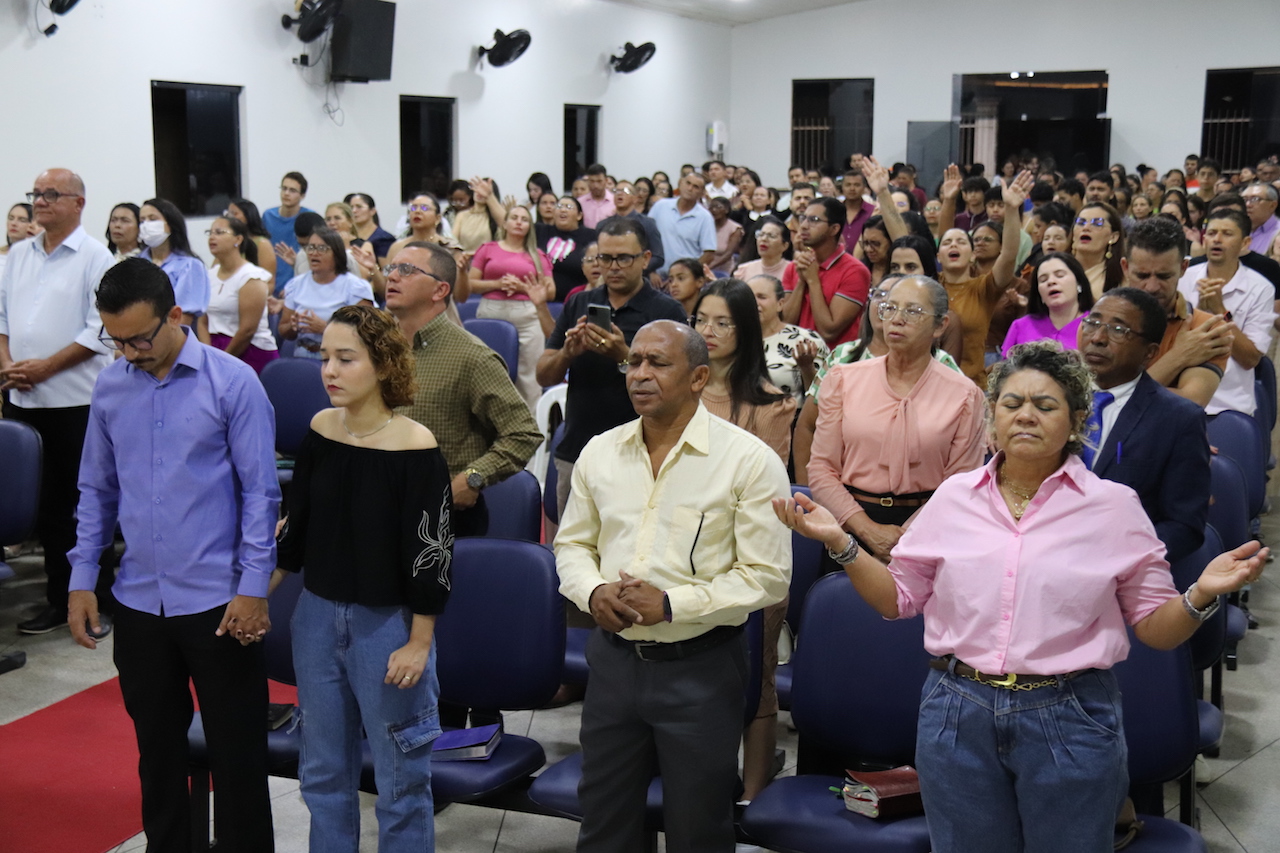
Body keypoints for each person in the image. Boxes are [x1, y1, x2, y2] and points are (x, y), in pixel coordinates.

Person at [775, 340, 1267, 853]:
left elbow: (1155, 630)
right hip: (956, 708)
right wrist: (841, 542)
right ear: (993, 418)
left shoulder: (1112, 507)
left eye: (1045, 405)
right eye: (1011, 403)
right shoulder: (953, 498)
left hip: (1069, 711)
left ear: (1077, 420)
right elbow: (896, 599)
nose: (1026, 415)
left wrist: (1199, 594)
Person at [555, 318, 791, 853]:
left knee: (697, 829)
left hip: (700, 668)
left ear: (698, 377)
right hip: (614, 663)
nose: (639, 374)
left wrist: (671, 605)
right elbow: (572, 546)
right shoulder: (601, 451)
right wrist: (592, 592)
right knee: (604, 824)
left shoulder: (748, 461)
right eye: (632, 362)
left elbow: (767, 576)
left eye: (657, 363)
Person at [67, 258, 279, 851]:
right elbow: (97, 489)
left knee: (237, 760)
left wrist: (253, 588)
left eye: (140, 338)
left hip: (220, 603)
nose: (129, 352)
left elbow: (261, 494)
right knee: (157, 758)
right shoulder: (111, 386)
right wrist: (82, 577)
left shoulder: (233, 382)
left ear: (176, 316)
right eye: (116, 340)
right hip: (139, 601)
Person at [275, 304, 451, 851]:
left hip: (388, 626)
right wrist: (254, 596)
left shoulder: (416, 445)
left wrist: (419, 642)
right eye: (324, 357)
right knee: (322, 774)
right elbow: (295, 531)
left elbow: (432, 555)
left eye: (345, 359)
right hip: (316, 618)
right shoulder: (320, 429)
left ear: (382, 365)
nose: (329, 370)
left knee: (401, 781)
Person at [688, 279, 796, 801]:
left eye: (722, 322)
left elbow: (761, 491)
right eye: (700, 320)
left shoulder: (771, 403)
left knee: (758, 675)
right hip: (680, 556)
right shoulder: (678, 390)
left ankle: (752, 794)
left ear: (745, 329)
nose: (708, 331)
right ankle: (697, 788)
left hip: (747, 556)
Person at [0, 169, 116, 635]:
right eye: (36, 194)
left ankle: (98, 598)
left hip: (75, 402)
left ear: (78, 203)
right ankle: (57, 599)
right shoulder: (18, 255)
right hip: (23, 398)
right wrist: (8, 364)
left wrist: (46, 366)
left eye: (51, 194)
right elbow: (2, 318)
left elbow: (99, 329)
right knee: (45, 508)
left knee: (85, 505)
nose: (40, 201)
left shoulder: (96, 256)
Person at [808, 275, 984, 557]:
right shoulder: (843, 378)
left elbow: (961, 483)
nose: (897, 319)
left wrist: (908, 537)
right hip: (850, 523)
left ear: (940, 325)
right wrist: (867, 529)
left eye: (913, 311)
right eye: (889, 308)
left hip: (931, 524)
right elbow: (821, 469)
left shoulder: (965, 395)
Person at [385, 241, 542, 537]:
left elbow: (523, 433)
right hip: (379, 505)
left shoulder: (472, 357)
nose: (392, 276)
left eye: (406, 270)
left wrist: (473, 477)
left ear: (440, 290)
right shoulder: (378, 348)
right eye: (391, 269)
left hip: (440, 520)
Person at [536, 218, 687, 518]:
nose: (613, 267)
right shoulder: (579, 303)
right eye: (605, 258)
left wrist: (624, 356)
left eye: (624, 258)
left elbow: (677, 385)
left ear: (645, 259)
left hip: (641, 453)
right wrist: (567, 353)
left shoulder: (667, 312)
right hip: (578, 448)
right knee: (572, 541)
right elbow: (544, 374)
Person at [1079, 289, 1211, 562]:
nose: (1097, 338)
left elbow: (1184, 526)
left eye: (1118, 330)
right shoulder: (1052, 400)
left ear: (1149, 353)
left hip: (1123, 566)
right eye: (1092, 323)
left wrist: (1118, 559)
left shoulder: (1177, 419)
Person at [936, 169, 1035, 383]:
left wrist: (1011, 208)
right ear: (938, 255)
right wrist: (949, 200)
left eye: (961, 242)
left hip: (972, 384)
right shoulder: (929, 286)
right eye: (948, 243)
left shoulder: (983, 288)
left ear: (973, 254)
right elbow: (941, 235)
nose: (953, 245)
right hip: (931, 384)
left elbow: (1008, 254)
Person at [1177, 209, 1276, 416]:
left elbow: (1250, 359)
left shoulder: (1260, 288)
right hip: (1179, 394)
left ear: (1245, 243)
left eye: (1227, 234)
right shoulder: (1183, 278)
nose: (1217, 239)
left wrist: (1220, 311)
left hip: (1228, 403)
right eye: (1212, 233)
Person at [1123, 217, 1230, 408]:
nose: (1152, 286)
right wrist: (1179, 356)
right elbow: (1093, 398)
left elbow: (1191, 401)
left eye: (1164, 276)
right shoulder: (1098, 324)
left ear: (1183, 268)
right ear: (1125, 267)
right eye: (1142, 275)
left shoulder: (1207, 330)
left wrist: (1118, 393)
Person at [469, 205, 557, 409]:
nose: (519, 222)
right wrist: (497, 284)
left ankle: (531, 421)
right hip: (491, 312)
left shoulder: (537, 255)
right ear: (505, 223)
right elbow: (471, 284)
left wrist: (522, 287)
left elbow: (551, 291)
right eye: (514, 218)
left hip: (527, 314)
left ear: (529, 226)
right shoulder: (487, 249)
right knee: (487, 372)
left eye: (524, 219)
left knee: (529, 377)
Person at [781, 197, 868, 347]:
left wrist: (813, 281)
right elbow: (785, 324)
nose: (804, 226)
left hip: (834, 358)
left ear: (834, 229)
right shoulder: (795, 266)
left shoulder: (855, 271)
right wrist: (802, 281)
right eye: (803, 218)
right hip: (794, 355)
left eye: (814, 220)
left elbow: (828, 331)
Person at [197, 216, 279, 374]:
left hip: (249, 351)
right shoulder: (209, 275)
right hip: (215, 350)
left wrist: (222, 361)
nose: (212, 237)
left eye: (219, 232)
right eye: (210, 232)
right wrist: (209, 356)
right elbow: (202, 321)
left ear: (238, 239)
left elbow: (247, 330)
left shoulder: (251, 277)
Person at [280, 227, 375, 359]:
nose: (314, 253)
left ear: (336, 254)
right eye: (310, 248)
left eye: (322, 248)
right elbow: (283, 329)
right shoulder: (296, 284)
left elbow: (367, 332)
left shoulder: (355, 287)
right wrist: (293, 326)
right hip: (302, 354)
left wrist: (325, 328)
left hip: (341, 357)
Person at [748, 273, 827, 404]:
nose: (754, 302)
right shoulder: (732, 339)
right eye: (749, 297)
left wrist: (807, 368)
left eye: (762, 297)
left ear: (780, 304)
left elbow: (821, 395)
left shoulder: (805, 339)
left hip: (792, 414)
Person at [1001, 252, 1094, 356]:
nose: (1051, 282)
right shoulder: (1021, 326)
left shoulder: (1095, 326)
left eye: (1060, 275)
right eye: (1043, 280)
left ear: (1079, 282)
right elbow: (1005, 365)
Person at [138, 197, 208, 324]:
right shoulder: (136, 263)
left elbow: (183, 318)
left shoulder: (189, 265)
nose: (146, 225)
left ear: (170, 224)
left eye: (153, 219)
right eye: (142, 220)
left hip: (171, 332)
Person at [651, 171, 717, 274]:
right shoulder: (660, 206)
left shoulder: (705, 217)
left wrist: (686, 275)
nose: (690, 189)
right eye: (688, 183)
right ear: (680, 183)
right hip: (655, 275)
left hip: (685, 278)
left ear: (702, 193)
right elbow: (646, 237)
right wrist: (651, 270)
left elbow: (709, 254)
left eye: (696, 187)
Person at [598, 179, 665, 280]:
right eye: (616, 191)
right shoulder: (603, 225)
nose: (620, 194)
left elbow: (658, 256)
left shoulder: (647, 223)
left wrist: (634, 268)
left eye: (625, 191)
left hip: (640, 278)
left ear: (635, 198)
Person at [537, 195, 598, 302]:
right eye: (559, 206)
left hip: (576, 299)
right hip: (540, 298)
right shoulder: (540, 231)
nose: (563, 210)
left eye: (569, 207)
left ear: (579, 215)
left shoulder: (591, 236)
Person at [264, 171, 312, 293]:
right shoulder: (268, 216)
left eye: (292, 190)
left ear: (302, 196)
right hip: (270, 280)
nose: (286, 193)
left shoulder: (309, 217)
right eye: (284, 188)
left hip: (299, 282)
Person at [1072, 202, 1125, 299]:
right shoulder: (1056, 267)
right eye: (1081, 222)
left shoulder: (1123, 278)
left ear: (1113, 237)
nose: (1086, 228)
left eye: (1097, 223)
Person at [224, 198, 278, 286]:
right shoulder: (227, 242)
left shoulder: (262, 244)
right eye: (228, 214)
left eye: (234, 213)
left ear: (248, 216)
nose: (229, 218)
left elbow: (269, 282)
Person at [447, 177, 506, 252]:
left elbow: (506, 224)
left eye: (484, 190)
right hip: (464, 257)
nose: (480, 192)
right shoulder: (462, 215)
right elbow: (452, 240)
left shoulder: (494, 217)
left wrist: (489, 197)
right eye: (478, 188)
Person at [734, 215, 791, 283]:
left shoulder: (792, 270)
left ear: (785, 246)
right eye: (761, 234)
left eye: (771, 236)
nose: (764, 239)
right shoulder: (744, 270)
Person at [344, 192, 397, 261]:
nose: (354, 211)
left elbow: (386, 266)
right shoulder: (349, 236)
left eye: (359, 207)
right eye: (351, 208)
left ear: (372, 211)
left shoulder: (384, 238)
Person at [707, 196, 743, 276]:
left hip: (724, 270)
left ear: (727, 210)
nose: (714, 210)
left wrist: (709, 267)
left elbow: (728, 254)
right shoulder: (706, 225)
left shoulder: (735, 228)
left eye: (718, 207)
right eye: (711, 207)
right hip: (704, 266)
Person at [1242, 183, 1279, 257]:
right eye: (1244, 200)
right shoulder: (1238, 230)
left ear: (1272, 205)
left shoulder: (1278, 233)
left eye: (1255, 199)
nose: (1247, 204)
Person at [577, 163, 616, 229]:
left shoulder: (615, 202)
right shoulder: (580, 202)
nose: (595, 186)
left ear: (606, 181)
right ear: (588, 181)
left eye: (599, 181)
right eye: (592, 181)